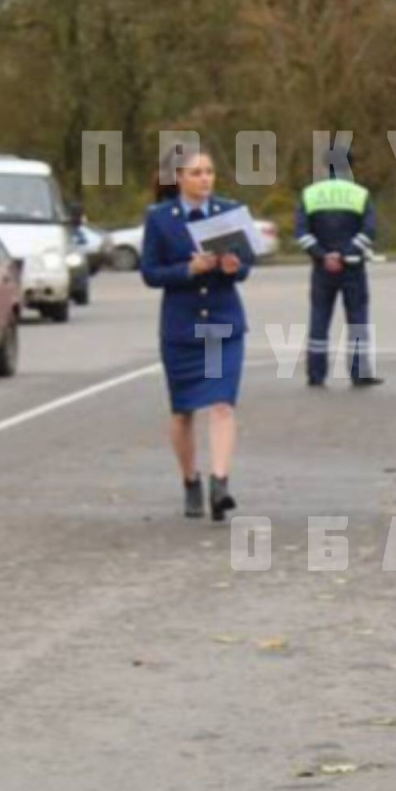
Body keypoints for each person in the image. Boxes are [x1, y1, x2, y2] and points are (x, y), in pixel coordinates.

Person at [140, 147, 253, 522]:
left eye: (209, 171)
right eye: (196, 172)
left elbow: (246, 265)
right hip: (182, 326)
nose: (205, 179)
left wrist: (234, 266)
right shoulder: (159, 219)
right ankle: (191, 481)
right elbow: (151, 273)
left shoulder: (228, 212)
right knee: (183, 411)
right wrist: (189, 269)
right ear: (179, 179)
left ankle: (220, 484)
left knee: (222, 405)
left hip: (221, 320)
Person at [295, 151, 382, 389]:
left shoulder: (311, 194)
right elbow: (369, 232)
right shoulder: (360, 194)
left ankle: (316, 373)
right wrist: (345, 254)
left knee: (319, 318)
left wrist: (324, 256)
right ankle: (359, 372)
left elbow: (302, 233)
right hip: (352, 267)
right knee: (357, 318)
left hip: (322, 269)